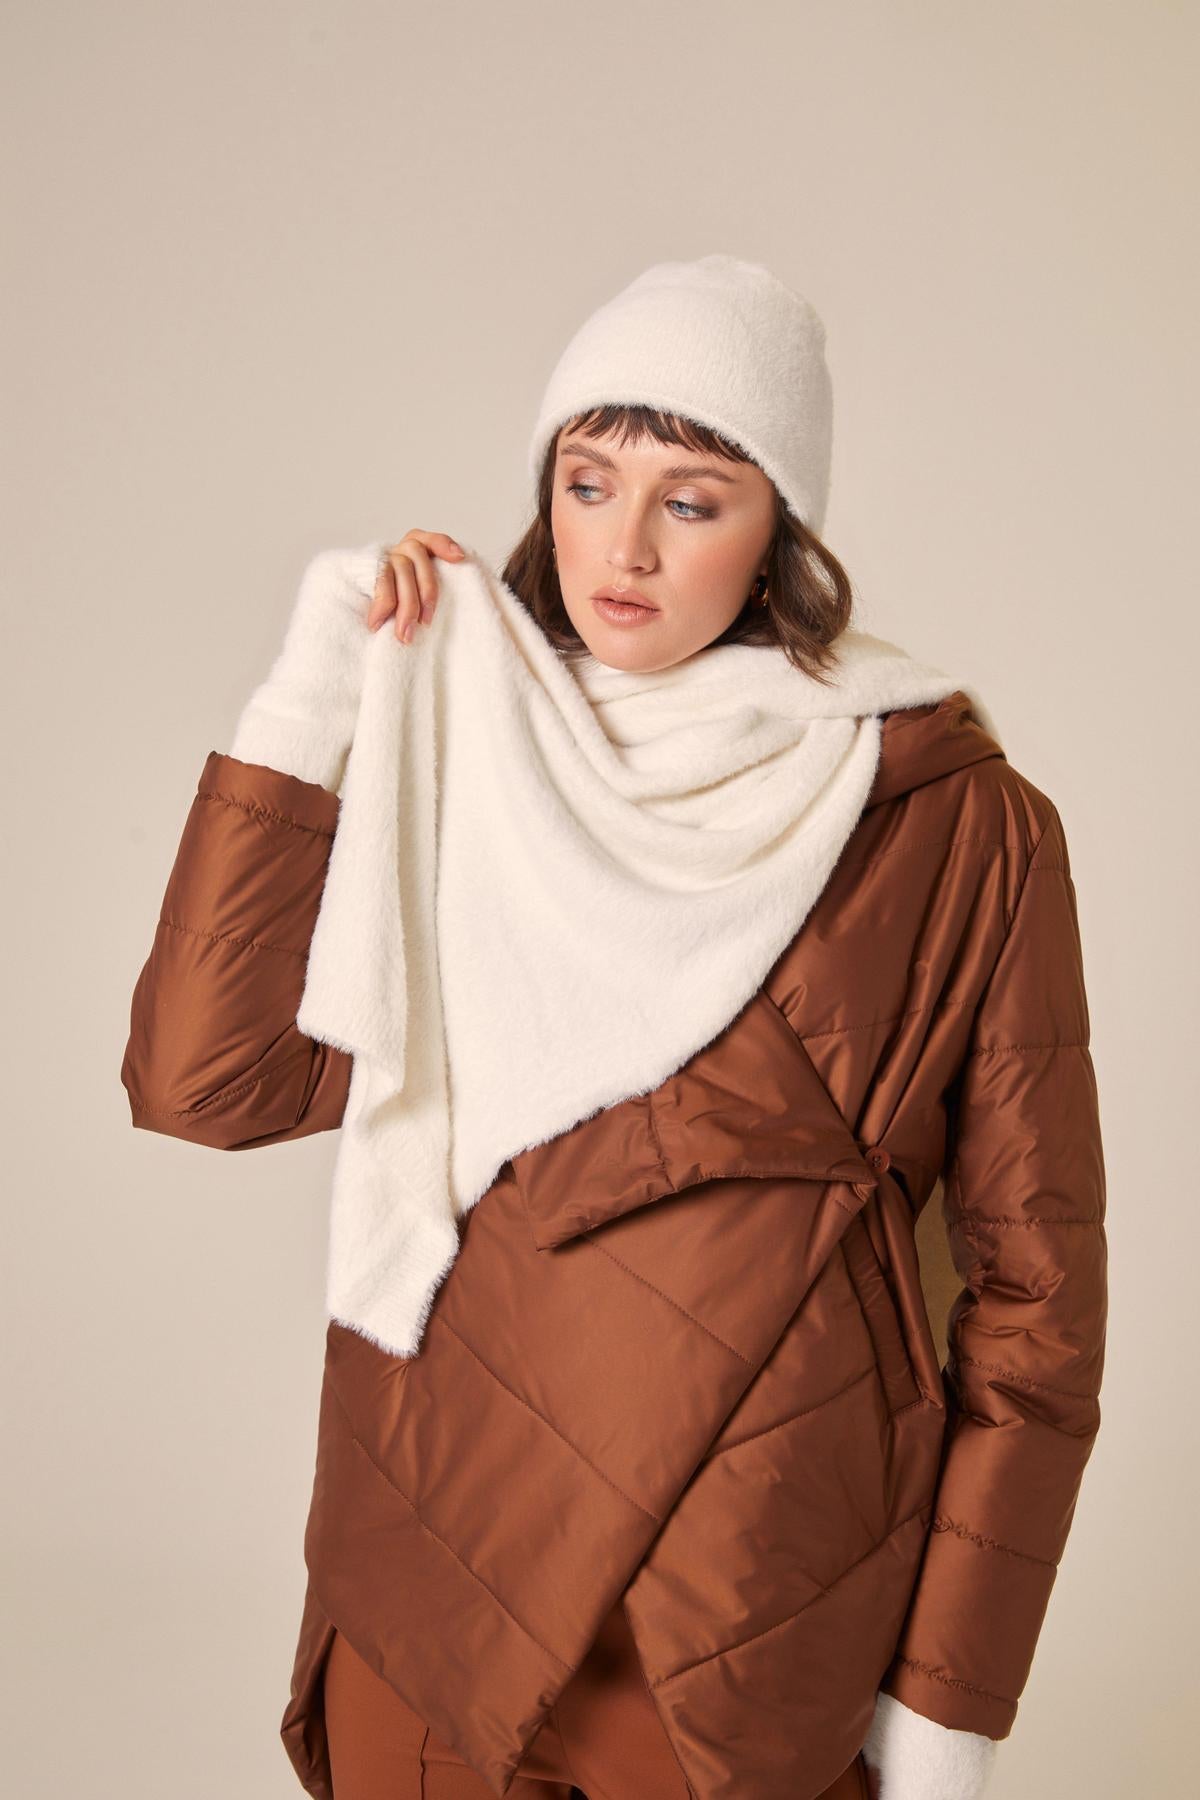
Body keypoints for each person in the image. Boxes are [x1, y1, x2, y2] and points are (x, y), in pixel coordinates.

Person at [121, 255, 1108, 1800]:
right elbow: (207, 1079)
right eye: (588, 484)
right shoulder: (464, 743)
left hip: (745, 1602)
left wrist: (950, 1701)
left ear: (781, 531)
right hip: (438, 1553)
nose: (624, 548)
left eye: (692, 500)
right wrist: (312, 695)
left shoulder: (955, 821)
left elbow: (1037, 1302)